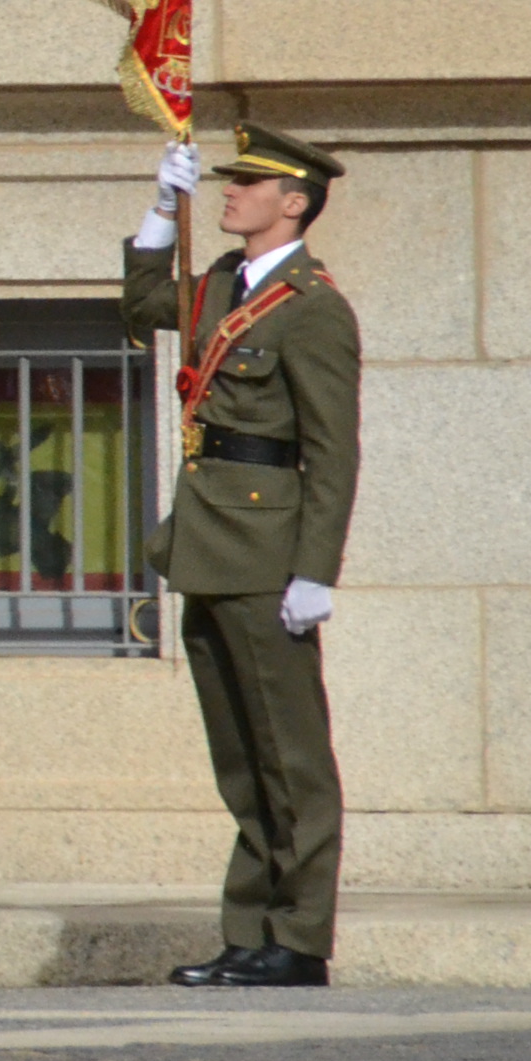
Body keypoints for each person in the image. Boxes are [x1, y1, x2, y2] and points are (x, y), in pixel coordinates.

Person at [128, 125, 362, 991]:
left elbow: (332, 451)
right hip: (207, 541)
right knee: (239, 754)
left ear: (293, 202)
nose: (229, 193)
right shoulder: (224, 282)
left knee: (289, 757)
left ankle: (297, 937)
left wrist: (315, 570)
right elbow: (142, 309)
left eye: (249, 184)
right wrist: (162, 210)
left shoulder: (314, 308)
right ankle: (250, 929)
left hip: (266, 550)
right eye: (227, 182)